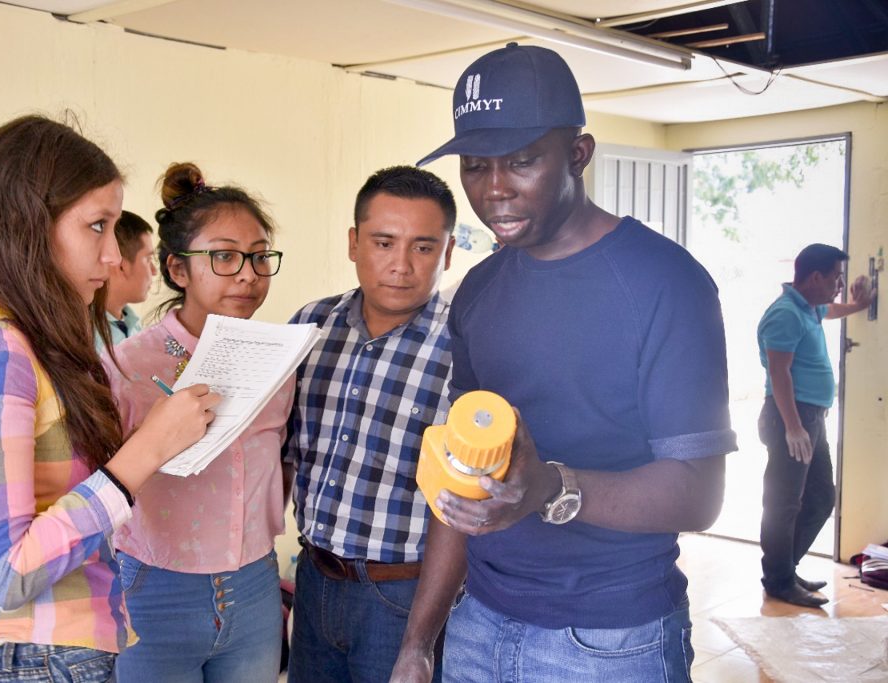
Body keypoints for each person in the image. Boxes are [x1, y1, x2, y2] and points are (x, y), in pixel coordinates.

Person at [390, 43, 737, 683]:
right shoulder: (479, 288)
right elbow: (462, 477)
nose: (493, 189)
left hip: (609, 640)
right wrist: (419, 642)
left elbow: (700, 494)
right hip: (478, 624)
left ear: (578, 154)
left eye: (522, 161)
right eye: (475, 165)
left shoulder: (666, 284)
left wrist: (549, 487)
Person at [0, 115, 220, 682]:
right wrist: (144, 452)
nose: (113, 256)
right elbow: (7, 574)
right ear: (27, 224)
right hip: (27, 659)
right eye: (97, 226)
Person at [101, 162, 290, 683]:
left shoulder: (279, 360)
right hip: (154, 589)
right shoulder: (127, 369)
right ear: (178, 270)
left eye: (258, 257)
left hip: (253, 583)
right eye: (225, 257)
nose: (248, 274)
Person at [284, 165, 456, 683]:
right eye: (384, 243)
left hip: (405, 598)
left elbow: (465, 503)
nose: (401, 265)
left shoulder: (465, 346)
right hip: (313, 578)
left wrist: (420, 644)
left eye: (423, 248)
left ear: (447, 253)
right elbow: (283, 452)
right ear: (355, 243)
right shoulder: (308, 327)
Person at [757, 243, 873, 607]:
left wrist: (857, 306)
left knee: (822, 497)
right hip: (790, 417)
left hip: (810, 417)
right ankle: (779, 579)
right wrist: (793, 428)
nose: (839, 284)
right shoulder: (786, 314)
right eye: (836, 277)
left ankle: (782, 570)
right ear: (816, 276)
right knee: (783, 503)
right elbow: (779, 373)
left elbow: (830, 308)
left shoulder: (808, 307)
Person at [95, 210, 158, 350]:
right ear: (121, 266)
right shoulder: (83, 335)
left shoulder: (134, 325)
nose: (154, 271)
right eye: (148, 259)